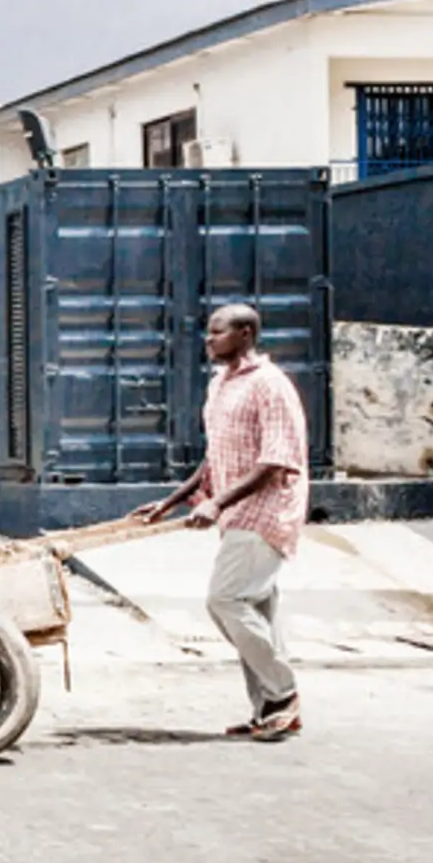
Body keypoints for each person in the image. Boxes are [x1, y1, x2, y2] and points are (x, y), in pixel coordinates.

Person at [132, 302, 310, 741]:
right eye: (209, 332)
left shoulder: (271, 386)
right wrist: (171, 501)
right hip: (236, 513)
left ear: (246, 334)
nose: (208, 340)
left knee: (225, 601)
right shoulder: (220, 385)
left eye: (218, 332)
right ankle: (269, 710)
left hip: (267, 512)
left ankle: (283, 694)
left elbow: (274, 461)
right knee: (256, 613)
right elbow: (216, 459)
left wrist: (216, 504)